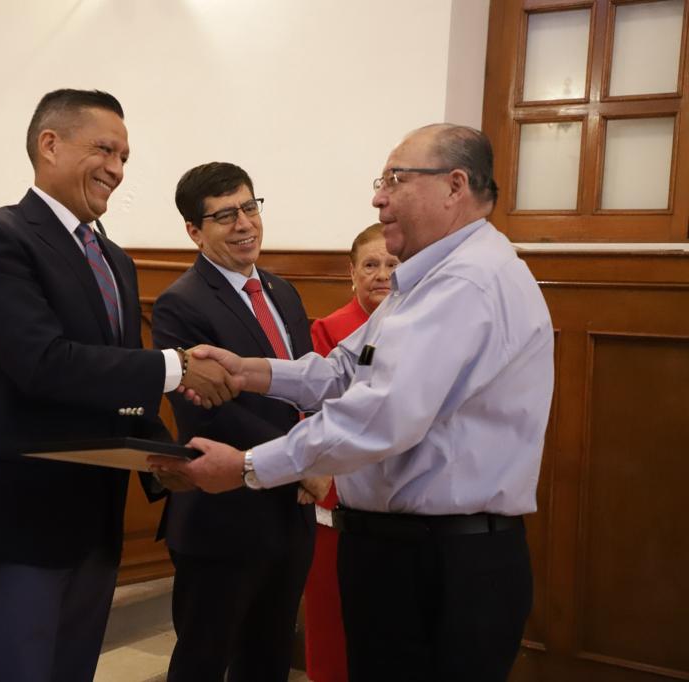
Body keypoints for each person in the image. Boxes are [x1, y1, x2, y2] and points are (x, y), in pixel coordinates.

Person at [151, 124, 555, 682]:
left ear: (454, 186)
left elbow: (381, 416)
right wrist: (250, 373)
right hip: (408, 552)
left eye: (395, 179)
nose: (378, 197)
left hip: (444, 561)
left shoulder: (466, 283)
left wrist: (248, 467)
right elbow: (345, 369)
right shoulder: (428, 277)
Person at [0, 89, 234, 682]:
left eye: (125, 157)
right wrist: (176, 367)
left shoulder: (114, 259)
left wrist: (167, 457)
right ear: (49, 144)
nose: (117, 169)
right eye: (104, 148)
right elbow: (43, 364)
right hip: (18, 519)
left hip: (92, 525)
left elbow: (116, 381)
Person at [151, 162, 323, 682]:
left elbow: (308, 382)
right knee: (204, 659)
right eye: (225, 215)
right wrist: (301, 460)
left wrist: (315, 451)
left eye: (250, 207)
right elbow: (209, 409)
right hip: (224, 513)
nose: (245, 224)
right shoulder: (180, 304)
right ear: (194, 231)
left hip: (291, 510)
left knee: (269, 658)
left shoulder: (282, 291)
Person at [304, 222, 399, 682]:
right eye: (371, 265)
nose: (382, 274)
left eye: (392, 264)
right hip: (338, 496)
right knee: (332, 621)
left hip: (401, 500)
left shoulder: (419, 323)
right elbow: (320, 413)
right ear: (352, 273)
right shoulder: (331, 330)